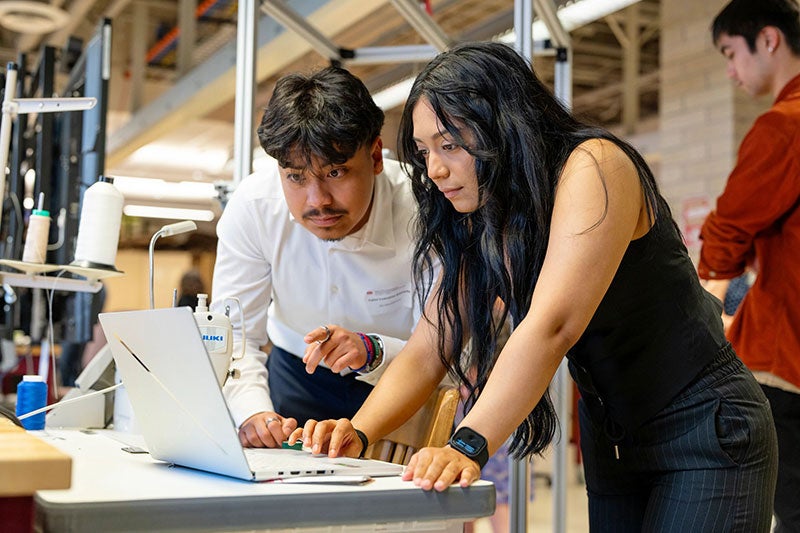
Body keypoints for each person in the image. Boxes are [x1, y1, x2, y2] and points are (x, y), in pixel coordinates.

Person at [292, 42, 779, 531]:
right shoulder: (487, 214)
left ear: (501, 126)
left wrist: (466, 444)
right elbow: (430, 346)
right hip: (614, 435)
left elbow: (552, 326)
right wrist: (357, 431)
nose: (434, 169)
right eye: (424, 151)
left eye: (450, 144)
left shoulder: (594, 165)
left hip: (703, 425)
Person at [210, 66, 427, 448]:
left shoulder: (425, 209)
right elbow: (234, 335)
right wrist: (253, 414)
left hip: (404, 376)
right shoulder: (255, 208)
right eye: (295, 177)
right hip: (296, 377)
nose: (318, 201)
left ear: (375, 156)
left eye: (336, 171)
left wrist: (372, 350)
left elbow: (450, 344)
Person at [698, 1, 800, 530]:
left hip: (787, 360)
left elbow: (727, 232)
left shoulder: (785, 126)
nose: (731, 71)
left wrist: (704, 292)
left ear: (769, 40)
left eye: (730, 53)